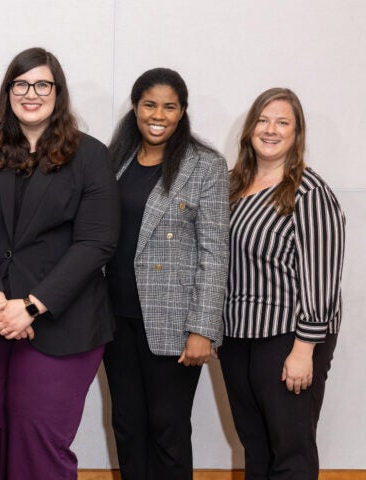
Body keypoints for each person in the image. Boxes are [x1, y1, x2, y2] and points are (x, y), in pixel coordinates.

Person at [0, 47, 120, 480]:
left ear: (58, 93)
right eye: (21, 84)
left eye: (42, 84)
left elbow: (95, 243)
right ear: (8, 91)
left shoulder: (90, 155)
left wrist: (29, 307)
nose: (31, 93)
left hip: (64, 322)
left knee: (36, 437)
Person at [102, 67, 229, 480]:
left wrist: (203, 328)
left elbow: (215, 251)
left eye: (169, 107)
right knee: (127, 427)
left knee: (168, 429)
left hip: (174, 323)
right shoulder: (114, 160)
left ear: (182, 112)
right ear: (135, 108)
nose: (158, 115)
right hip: (115, 320)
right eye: (150, 105)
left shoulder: (205, 166)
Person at [221, 88, 345, 479]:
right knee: (255, 448)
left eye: (282, 122)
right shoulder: (234, 186)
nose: (270, 129)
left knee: (291, 450)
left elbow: (323, 276)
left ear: (296, 133)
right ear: (250, 129)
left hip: (288, 337)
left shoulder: (309, 192)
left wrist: (304, 350)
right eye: (262, 120)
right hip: (237, 335)